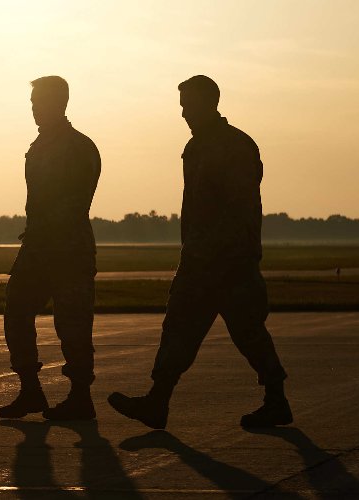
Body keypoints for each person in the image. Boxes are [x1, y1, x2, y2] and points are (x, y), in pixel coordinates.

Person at [108, 75, 292, 429]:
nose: (183, 114)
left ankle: (276, 399)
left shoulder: (234, 146)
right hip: (200, 258)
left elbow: (239, 208)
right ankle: (158, 401)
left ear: (209, 103)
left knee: (248, 332)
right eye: (182, 106)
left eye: (188, 105)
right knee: (179, 328)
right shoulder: (197, 147)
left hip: (229, 261)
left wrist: (220, 253)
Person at [0, 76, 102, 421]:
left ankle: (80, 396)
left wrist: (48, 233)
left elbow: (74, 202)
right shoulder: (41, 145)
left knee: (72, 323)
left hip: (68, 248)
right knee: (16, 309)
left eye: (39, 102)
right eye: (32, 103)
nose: (34, 109)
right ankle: (30, 389)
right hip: (39, 246)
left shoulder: (77, 147)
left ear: (59, 103)